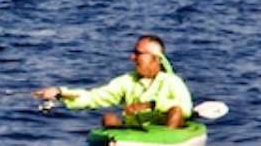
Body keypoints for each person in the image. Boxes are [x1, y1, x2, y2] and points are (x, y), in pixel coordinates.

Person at [32, 35, 192, 129]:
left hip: (165, 133)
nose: (132, 58)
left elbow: (185, 108)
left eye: (138, 54)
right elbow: (95, 97)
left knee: (176, 111)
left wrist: (150, 105)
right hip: (136, 133)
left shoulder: (172, 81)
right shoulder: (127, 81)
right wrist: (61, 93)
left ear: (156, 59)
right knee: (109, 118)